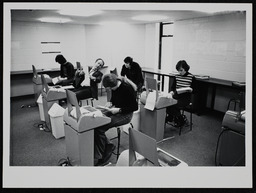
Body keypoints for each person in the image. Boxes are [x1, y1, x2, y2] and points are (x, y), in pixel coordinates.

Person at [94, 73, 138, 166]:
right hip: (116, 110)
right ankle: (108, 145)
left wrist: (119, 109)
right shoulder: (116, 86)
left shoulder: (127, 88)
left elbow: (135, 107)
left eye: (110, 89)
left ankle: (104, 154)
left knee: (99, 128)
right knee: (96, 121)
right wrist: (110, 103)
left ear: (113, 85)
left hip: (126, 114)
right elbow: (114, 99)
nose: (110, 90)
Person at [166, 60, 195, 127]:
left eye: (181, 70)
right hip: (177, 96)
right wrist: (171, 92)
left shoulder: (191, 77)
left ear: (186, 69)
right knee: (166, 102)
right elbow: (173, 88)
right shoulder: (177, 76)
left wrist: (191, 90)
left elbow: (195, 90)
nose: (179, 72)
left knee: (174, 105)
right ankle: (175, 117)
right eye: (178, 70)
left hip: (185, 98)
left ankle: (179, 119)